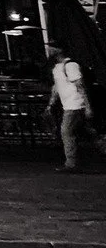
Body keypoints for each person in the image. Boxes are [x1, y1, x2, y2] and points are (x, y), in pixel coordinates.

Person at [48, 45, 94, 173]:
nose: (49, 50)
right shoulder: (58, 68)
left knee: (67, 132)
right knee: (88, 132)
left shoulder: (70, 65)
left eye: (52, 47)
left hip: (75, 104)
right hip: (70, 105)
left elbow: (80, 86)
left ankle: (71, 163)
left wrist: (87, 106)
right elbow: (57, 87)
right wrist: (51, 103)